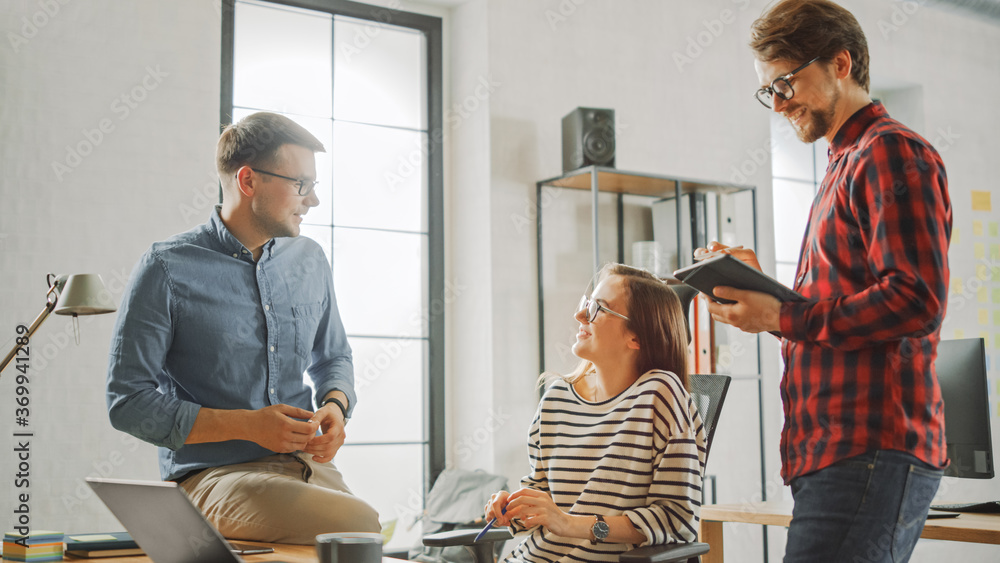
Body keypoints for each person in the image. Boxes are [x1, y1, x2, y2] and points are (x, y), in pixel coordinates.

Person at [703, 1, 951, 561]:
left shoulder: (888, 151)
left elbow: (915, 300)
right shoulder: (843, 163)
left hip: (868, 447)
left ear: (841, 63)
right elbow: (842, 308)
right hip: (835, 451)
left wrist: (782, 315)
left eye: (786, 82)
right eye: (770, 90)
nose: (779, 102)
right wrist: (768, 295)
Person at [106, 112, 380, 544]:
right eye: (300, 185)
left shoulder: (309, 260)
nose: (312, 202)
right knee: (356, 523)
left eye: (314, 186)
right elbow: (127, 402)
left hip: (306, 467)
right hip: (213, 478)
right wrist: (248, 425)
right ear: (248, 181)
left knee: (361, 537)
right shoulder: (165, 268)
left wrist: (336, 406)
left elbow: (333, 357)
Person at [485, 264, 707, 562]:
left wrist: (568, 523)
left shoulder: (659, 394)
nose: (580, 315)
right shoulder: (557, 399)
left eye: (598, 309)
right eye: (587, 304)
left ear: (637, 338)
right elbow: (540, 501)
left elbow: (675, 521)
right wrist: (511, 509)